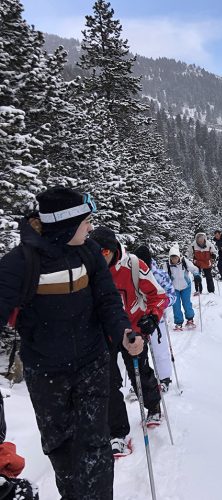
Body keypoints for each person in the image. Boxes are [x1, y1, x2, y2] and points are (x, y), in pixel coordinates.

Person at [0, 187, 141, 499]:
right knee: (60, 449)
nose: (91, 227)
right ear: (65, 224)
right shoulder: (19, 264)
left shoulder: (88, 252)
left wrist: (123, 333)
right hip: (46, 373)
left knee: (95, 447)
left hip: (92, 363)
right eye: (86, 221)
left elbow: (107, 300)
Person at [89, 227, 168, 458]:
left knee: (139, 373)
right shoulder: (90, 268)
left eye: (104, 250)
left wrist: (152, 317)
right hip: (103, 333)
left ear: (113, 249)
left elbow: (159, 295)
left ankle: (153, 406)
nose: (100, 255)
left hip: (133, 329)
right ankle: (117, 432)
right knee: (107, 380)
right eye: (95, 250)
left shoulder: (134, 266)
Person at [132, 245, 175, 391]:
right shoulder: (132, 274)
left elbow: (171, 295)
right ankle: (142, 383)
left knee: (160, 349)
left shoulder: (159, 274)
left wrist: (162, 304)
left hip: (156, 319)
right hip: (138, 319)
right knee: (139, 352)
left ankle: (164, 379)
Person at [166, 244, 199, 331]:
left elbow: (194, 269)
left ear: (179, 256)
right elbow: (164, 276)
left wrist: (196, 275)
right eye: (172, 258)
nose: (174, 260)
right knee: (176, 306)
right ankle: (178, 323)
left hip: (185, 287)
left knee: (186, 303)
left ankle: (190, 319)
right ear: (170, 258)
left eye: (176, 257)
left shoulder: (184, 261)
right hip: (174, 289)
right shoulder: (167, 265)